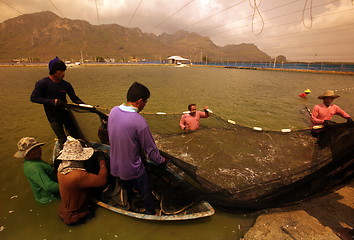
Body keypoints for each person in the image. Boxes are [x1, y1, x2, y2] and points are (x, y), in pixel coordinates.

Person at [108, 82, 168, 215]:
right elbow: (151, 151)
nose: (144, 105)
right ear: (140, 101)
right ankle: (151, 211)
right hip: (132, 169)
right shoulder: (139, 121)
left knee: (127, 187)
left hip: (115, 166)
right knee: (145, 189)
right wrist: (163, 161)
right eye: (145, 102)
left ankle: (130, 202)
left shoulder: (113, 111)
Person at [30, 57, 85, 149]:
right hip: (53, 117)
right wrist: (51, 101)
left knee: (76, 134)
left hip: (66, 113)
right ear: (53, 71)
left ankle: (79, 151)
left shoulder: (66, 84)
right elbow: (34, 98)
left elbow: (75, 99)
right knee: (62, 137)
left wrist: (86, 106)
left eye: (64, 71)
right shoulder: (43, 83)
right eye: (60, 71)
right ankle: (62, 155)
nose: (63, 73)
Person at [56, 137, 107, 225]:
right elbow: (102, 180)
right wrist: (102, 162)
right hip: (75, 216)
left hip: (63, 212)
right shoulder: (78, 176)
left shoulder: (61, 170)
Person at [14, 137, 59, 204]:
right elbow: (49, 186)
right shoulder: (34, 168)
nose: (38, 150)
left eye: (38, 147)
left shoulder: (35, 160)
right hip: (50, 199)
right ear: (26, 154)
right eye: (33, 150)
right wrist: (70, 185)